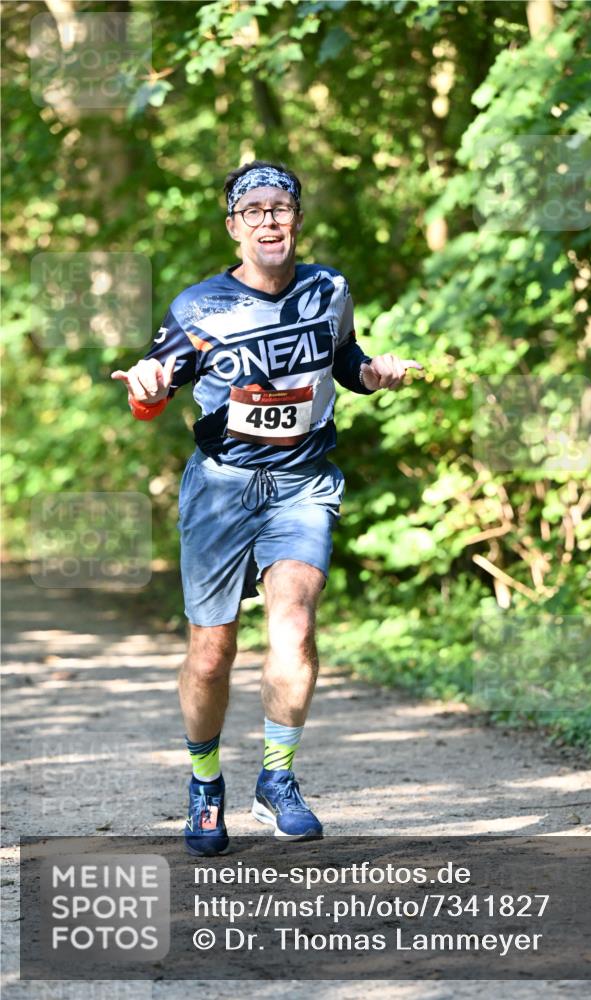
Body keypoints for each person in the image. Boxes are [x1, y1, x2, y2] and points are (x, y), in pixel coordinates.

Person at [111, 161, 422, 855]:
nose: (268, 220)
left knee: (295, 626)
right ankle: (204, 783)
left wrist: (374, 376)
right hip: (221, 487)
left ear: (296, 219)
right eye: (251, 210)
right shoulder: (199, 307)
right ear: (233, 227)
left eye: (279, 207)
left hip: (302, 482)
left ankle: (276, 780)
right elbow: (152, 388)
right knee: (210, 654)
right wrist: (146, 387)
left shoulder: (328, 288)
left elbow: (345, 359)